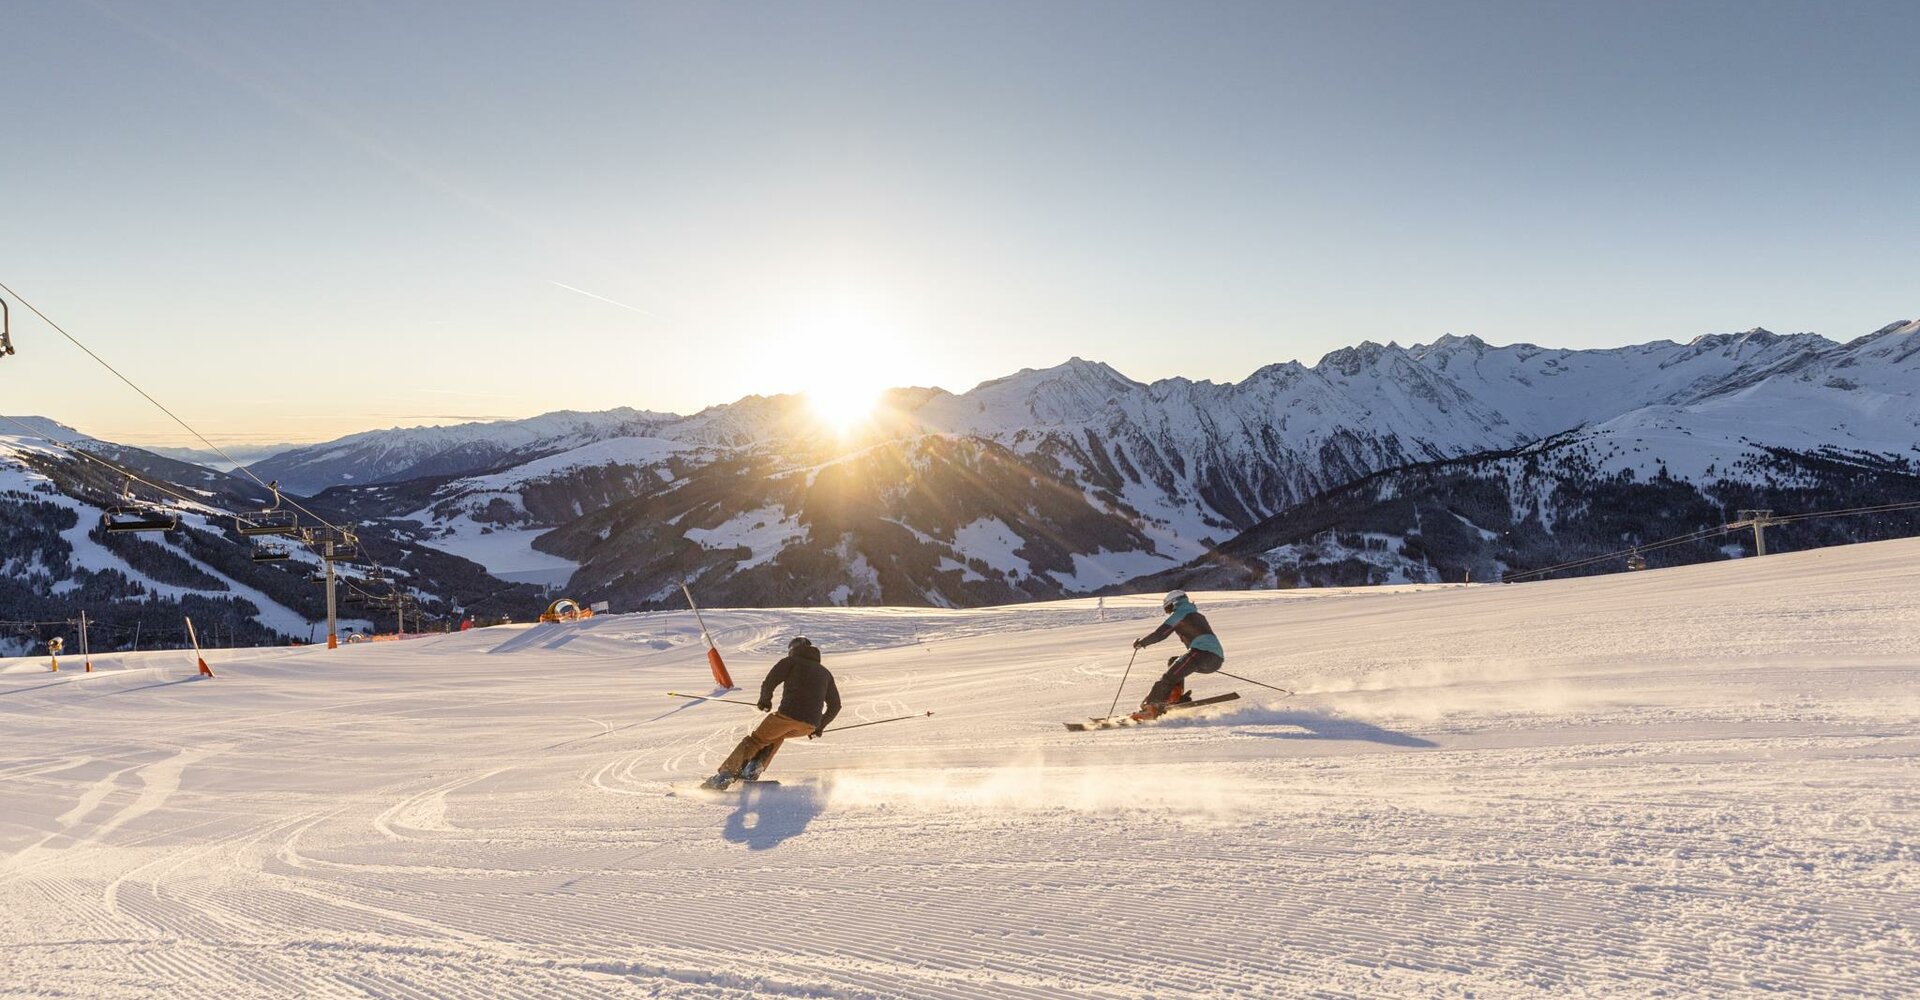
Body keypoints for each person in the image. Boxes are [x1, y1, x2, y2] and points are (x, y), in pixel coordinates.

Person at [702, 636, 841, 790]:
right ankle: (752, 769)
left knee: (755, 740)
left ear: (792, 649)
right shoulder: (825, 673)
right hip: (809, 725)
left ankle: (725, 776)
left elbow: (770, 681)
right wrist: (819, 727)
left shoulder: (790, 662)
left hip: (788, 715)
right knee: (776, 736)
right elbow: (835, 706)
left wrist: (765, 701)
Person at [1129, 589, 1225, 720]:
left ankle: (1151, 708)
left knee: (1168, 678)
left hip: (1201, 654)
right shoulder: (1197, 614)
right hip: (1214, 659)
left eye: (1168, 608)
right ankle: (1175, 697)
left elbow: (1160, 634)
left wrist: (1141, 643)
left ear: (1173, 603)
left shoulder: (1180, 613)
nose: (1168, 612)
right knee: (1174, 661)